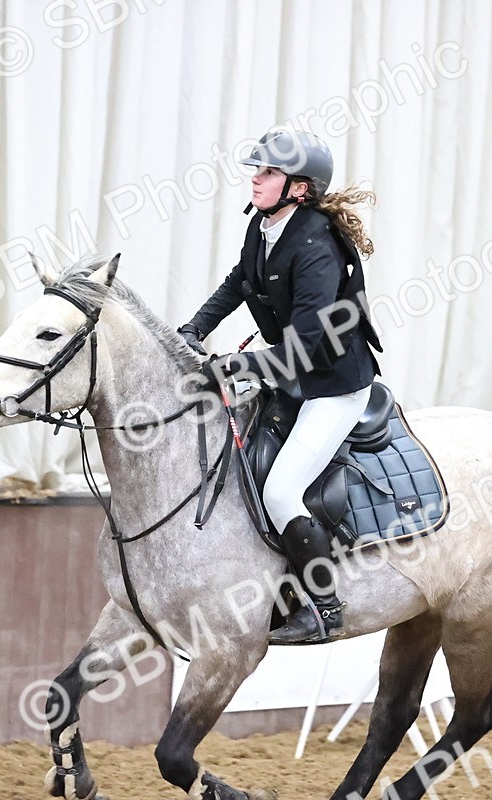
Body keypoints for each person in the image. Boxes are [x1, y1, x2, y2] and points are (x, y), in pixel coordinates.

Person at [177, 128, 383, 644]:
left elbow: (311, 342)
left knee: (282, 489)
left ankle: (325, 607)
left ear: (299, 187)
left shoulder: (316, 244)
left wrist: (236, 369)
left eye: (267, 172)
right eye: (257, 169)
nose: (255, 178)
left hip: (332, 385)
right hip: (290, 376)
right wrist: (193, 330)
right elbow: (237, 282)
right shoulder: (265, 227)